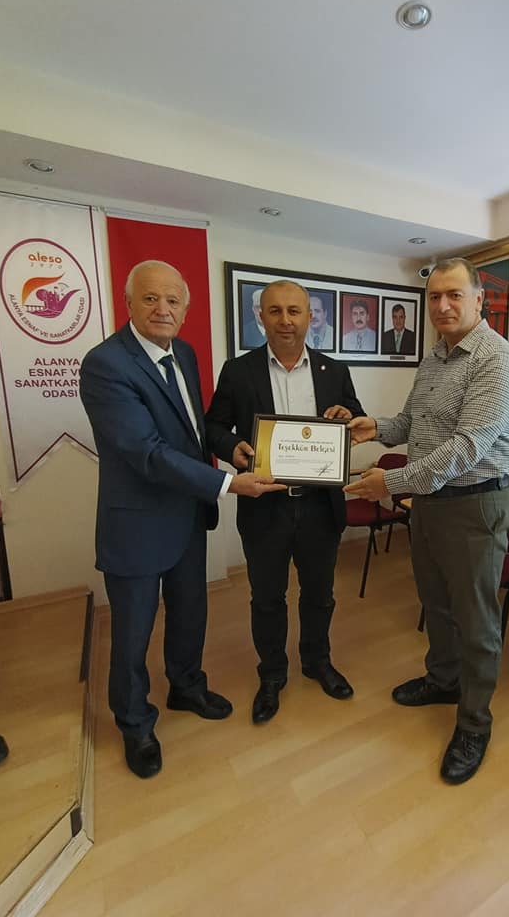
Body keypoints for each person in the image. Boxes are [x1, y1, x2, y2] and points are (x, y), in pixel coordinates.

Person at [80, 260, 283, 779]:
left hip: (188, 516)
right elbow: (146, 452)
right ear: (128, 302)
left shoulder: (185, 354)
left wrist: (230, 449)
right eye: (151, 298)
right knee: (132, 633)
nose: (163, 309)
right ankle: (135, 723)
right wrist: (227, 483)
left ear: (186, 309)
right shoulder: (106, 364)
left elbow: (193, 431)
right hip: (138, 525)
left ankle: (187, 687)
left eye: (173, 300)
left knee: (191, 612)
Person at [345, 258, 509, 785]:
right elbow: (414, 422)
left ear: (478, 299)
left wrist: (391, 483)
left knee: (476, 620)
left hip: (475, 505)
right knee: (436, 602)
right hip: (429, 503)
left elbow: (466, 448)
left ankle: (474, 724)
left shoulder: (497, 361)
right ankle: (444, 680)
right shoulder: (435, 356)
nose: (442, 306)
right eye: (434, 297)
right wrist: (376, 427)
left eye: (454, 295)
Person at [206, 280, 365, 724]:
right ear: (261, 317)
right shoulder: (238, 371)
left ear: (310, 316)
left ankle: (317, 661)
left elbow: (354, 416)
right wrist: (233, 447)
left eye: (294, 311)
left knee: (320, 595)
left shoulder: (334, 371)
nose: (286, 320)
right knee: (267, 598)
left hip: (320, 507)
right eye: (274, 311)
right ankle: (272, 674)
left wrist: (348, 416)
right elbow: (213, 426)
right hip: (265, 506)